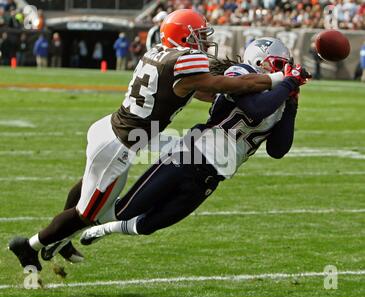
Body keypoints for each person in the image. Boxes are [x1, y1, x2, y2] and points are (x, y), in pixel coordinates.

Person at [9, 10, 290, 271]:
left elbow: (200, 90)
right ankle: (31, 246)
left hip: (112, 129)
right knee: (91, 213)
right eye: (199, 36)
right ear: (184, 36)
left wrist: (233, 93)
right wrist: (279, 79)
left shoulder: (160, 52)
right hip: (119, 144)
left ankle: (61, 238)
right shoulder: (185, 60)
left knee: (87, 191)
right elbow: (219, 85)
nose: (205, 41)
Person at [80, 37, 310, 243]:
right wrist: (288, 83)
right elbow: (255, 108)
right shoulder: (240, 72)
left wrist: (292, 105)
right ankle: (68, 231)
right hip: (191, 154)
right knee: (126, 210)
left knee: (148, 225)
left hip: (216, 173)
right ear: (260, 61)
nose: (285, 72)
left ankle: (104, 230)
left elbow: (278, 149)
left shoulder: (279, 101)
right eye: (280, 65)